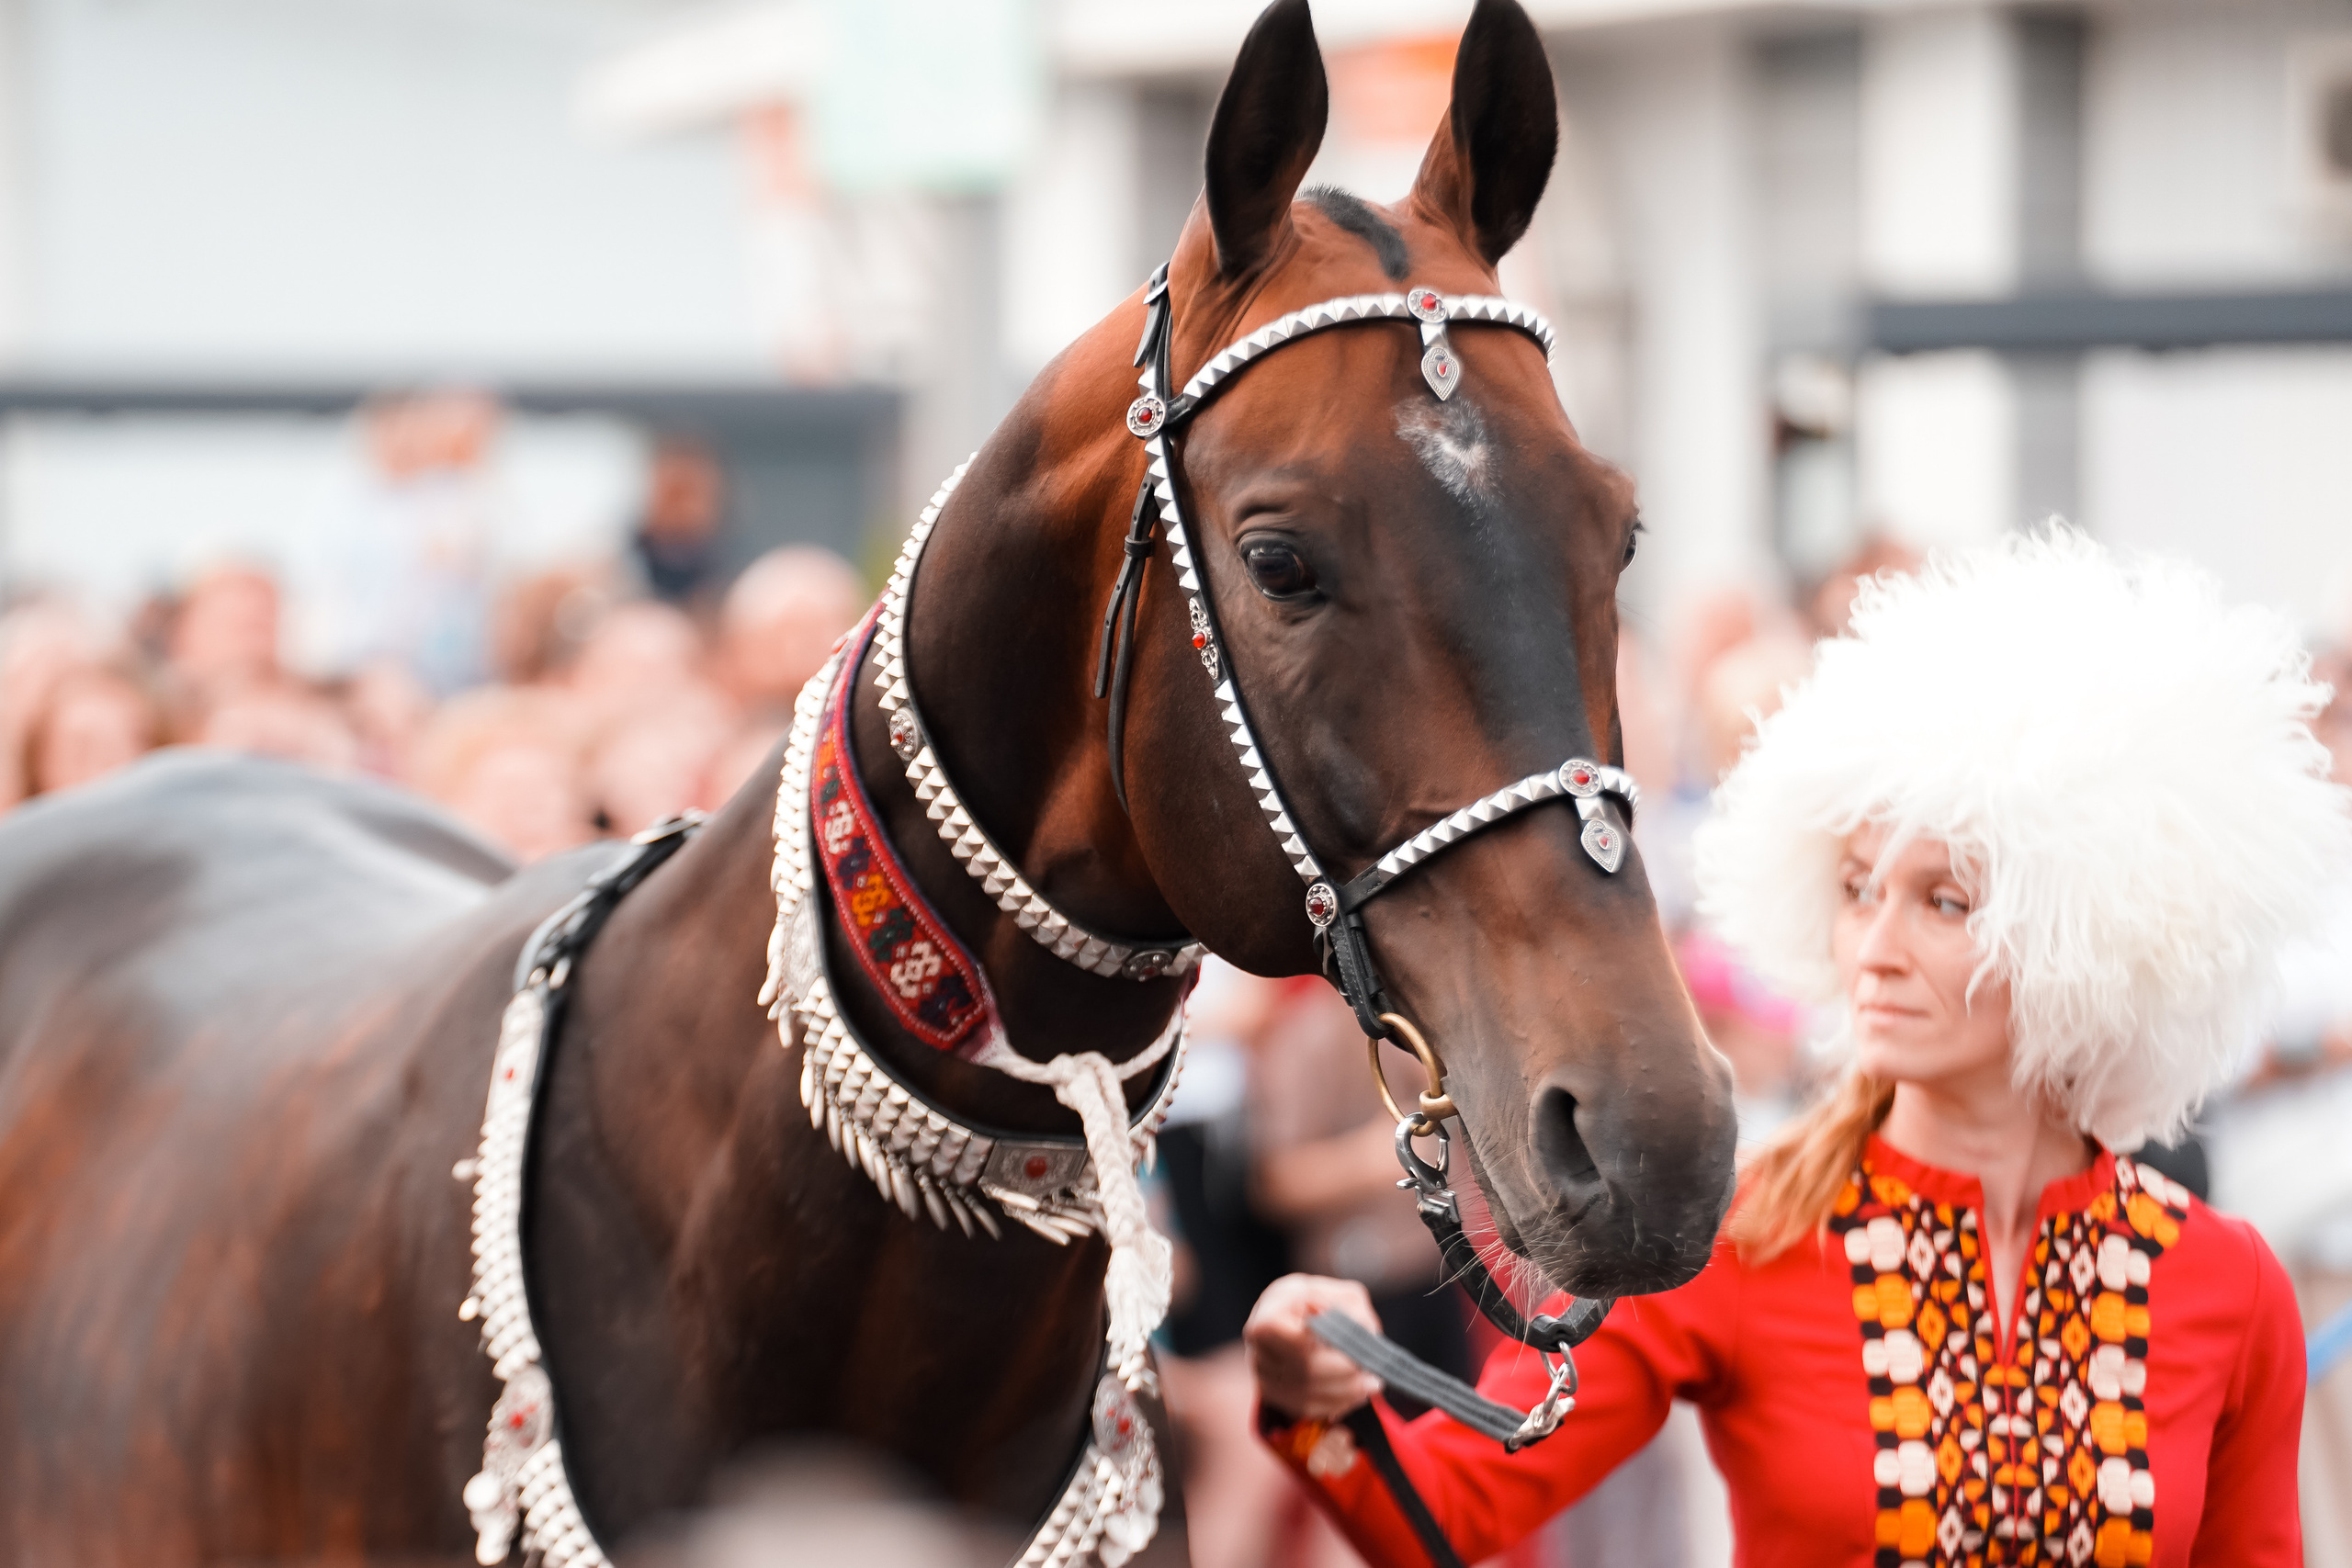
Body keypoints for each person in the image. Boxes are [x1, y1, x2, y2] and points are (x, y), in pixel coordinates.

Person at [1244, 530, 2347, 1567]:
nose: (1872, 946)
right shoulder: (1732, 1235)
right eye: (1857, 889)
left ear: (2088, 940)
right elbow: (1453, 1505)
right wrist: (1323, 1395)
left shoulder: (2229, 1285)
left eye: (1944, 902)